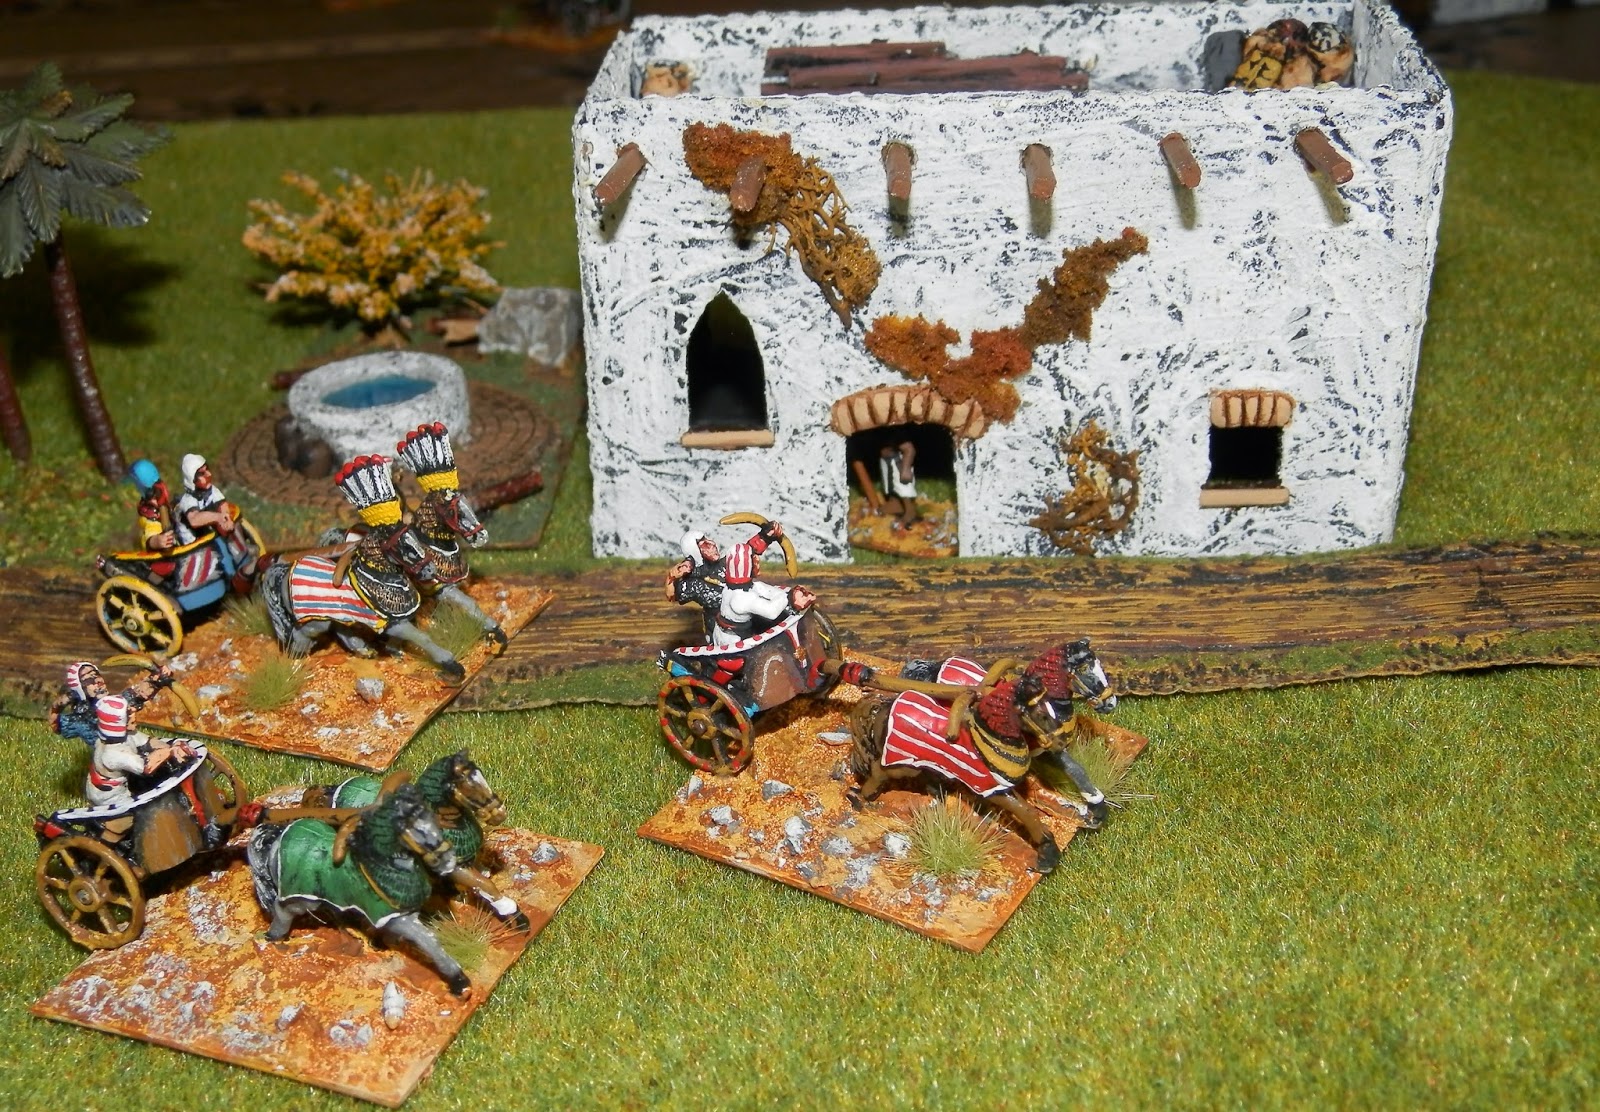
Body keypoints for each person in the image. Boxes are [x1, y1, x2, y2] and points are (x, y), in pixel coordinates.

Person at [666, 520, 787, 643]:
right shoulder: (693, 584)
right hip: (723, 630)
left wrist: (766, 535)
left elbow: (746, 551)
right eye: (702, 543)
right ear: (694, 552)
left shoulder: (725, 563)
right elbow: (672, 594)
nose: (711, 544)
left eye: (707, 539)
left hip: (748, 613)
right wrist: (672, 576)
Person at [49, 660, 174, 750]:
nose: (98, 681)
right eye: (89, 679)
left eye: (97, 675)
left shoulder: (112, 703)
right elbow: (56, 725)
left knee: (168, 748)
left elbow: (135, 694)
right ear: (79, 688)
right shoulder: (78, 720)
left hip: (129, 741)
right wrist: (57, 707)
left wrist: (156, 679)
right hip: (111, 754)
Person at [711, 542, 816, 649]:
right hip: (733, 642)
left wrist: (788, 595)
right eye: (753, 561)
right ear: (746, 566)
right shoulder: (741, 597)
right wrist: (789, 597)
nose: (757, 564)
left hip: (729, 633)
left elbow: (764, 589)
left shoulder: (734, 588)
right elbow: (771, 612)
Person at [878, 441, 919, 527]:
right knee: (889, 486)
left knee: (902, 487)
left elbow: (909, 448)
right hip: (887, 460)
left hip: (898, 462)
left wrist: (906, 468)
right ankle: (896, 504)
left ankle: (910, 512)